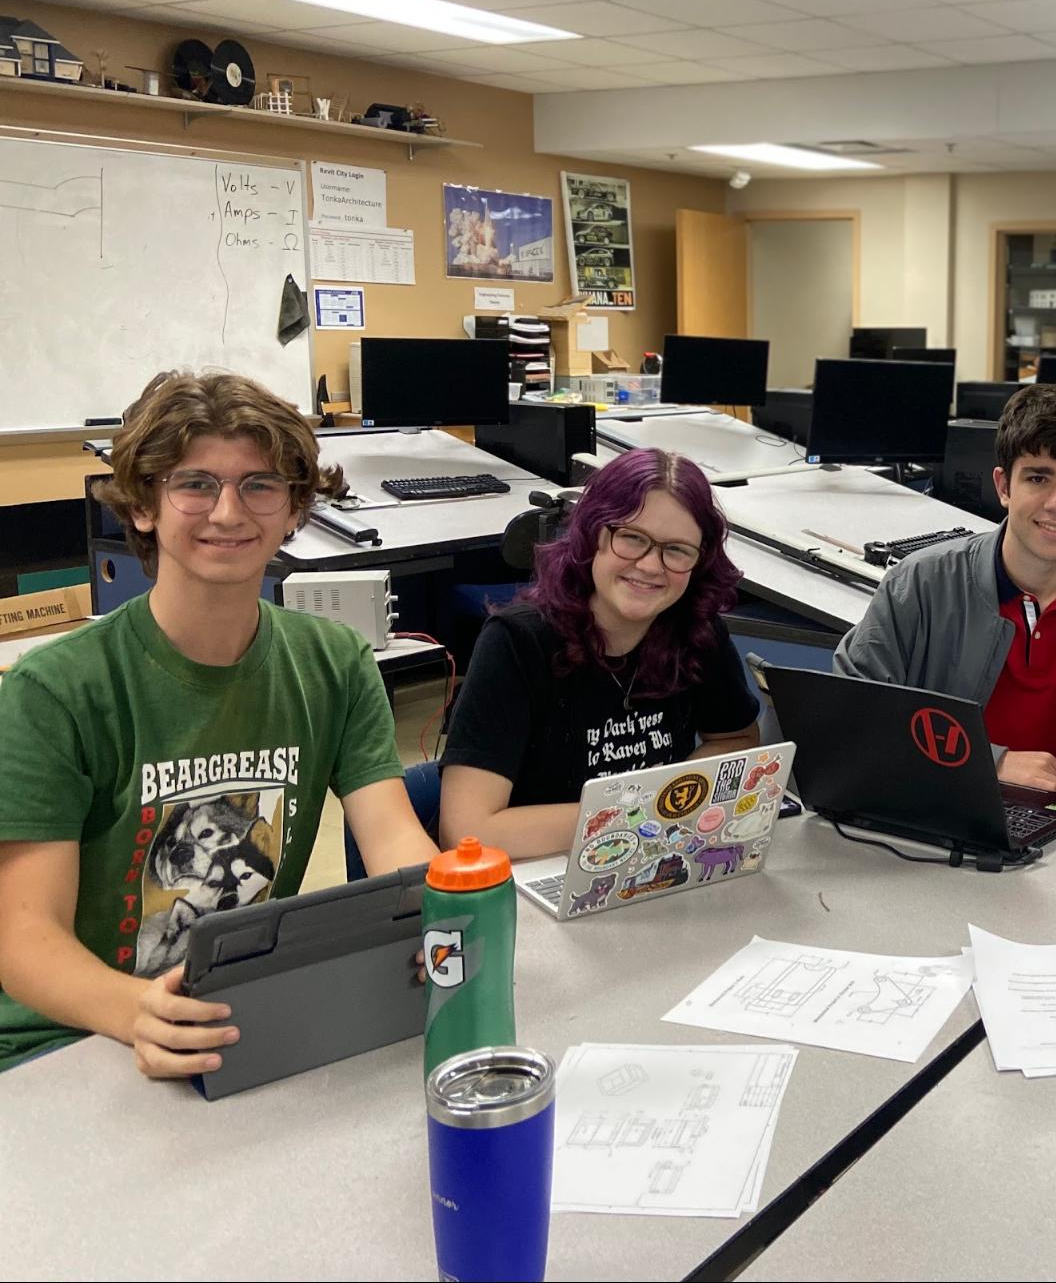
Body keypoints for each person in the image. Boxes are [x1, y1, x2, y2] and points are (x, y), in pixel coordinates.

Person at [0, 372, 437, 1078]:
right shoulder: (53, 691)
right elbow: (24, 939)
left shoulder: (335, 660)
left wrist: (446, 910)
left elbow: (391, 836)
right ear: (143, 505)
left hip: (238, 1019)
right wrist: (135, 1010)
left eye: (260, 485)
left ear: (295, 509)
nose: (228, 512)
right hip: (69, 1039)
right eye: (195, 484)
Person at [833, 382, 1056, 795]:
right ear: (1004, 487)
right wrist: (990, 762)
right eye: (1039, 478)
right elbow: (849, 716)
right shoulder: (918, 585)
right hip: (945, 809)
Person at [439, 447, 761, 860]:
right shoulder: (517, 642)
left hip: (645, 862)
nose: (649, 566)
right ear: (593, 535)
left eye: (677, 550)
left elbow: (737, 739)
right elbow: (467, 833)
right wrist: (641, 810)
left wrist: (672, 799)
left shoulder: (695, 630)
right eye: (631, 537)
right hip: (535, 876)